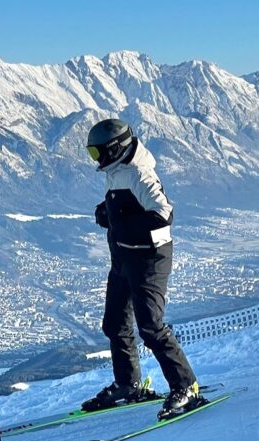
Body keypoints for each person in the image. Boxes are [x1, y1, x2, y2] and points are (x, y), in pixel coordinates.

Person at [82, 119, 201, 420]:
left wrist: (121, 223)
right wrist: (106, 210)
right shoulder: (115, 170)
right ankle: (128, 385)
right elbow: (125, 204)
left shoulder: (138, 172)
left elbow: (163, 213)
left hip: (150, 258)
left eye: (98, 154)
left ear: (115, 148)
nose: (97, 161)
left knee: (150, 325)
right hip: (123, 257)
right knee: (115, 323)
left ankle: (186, 386)